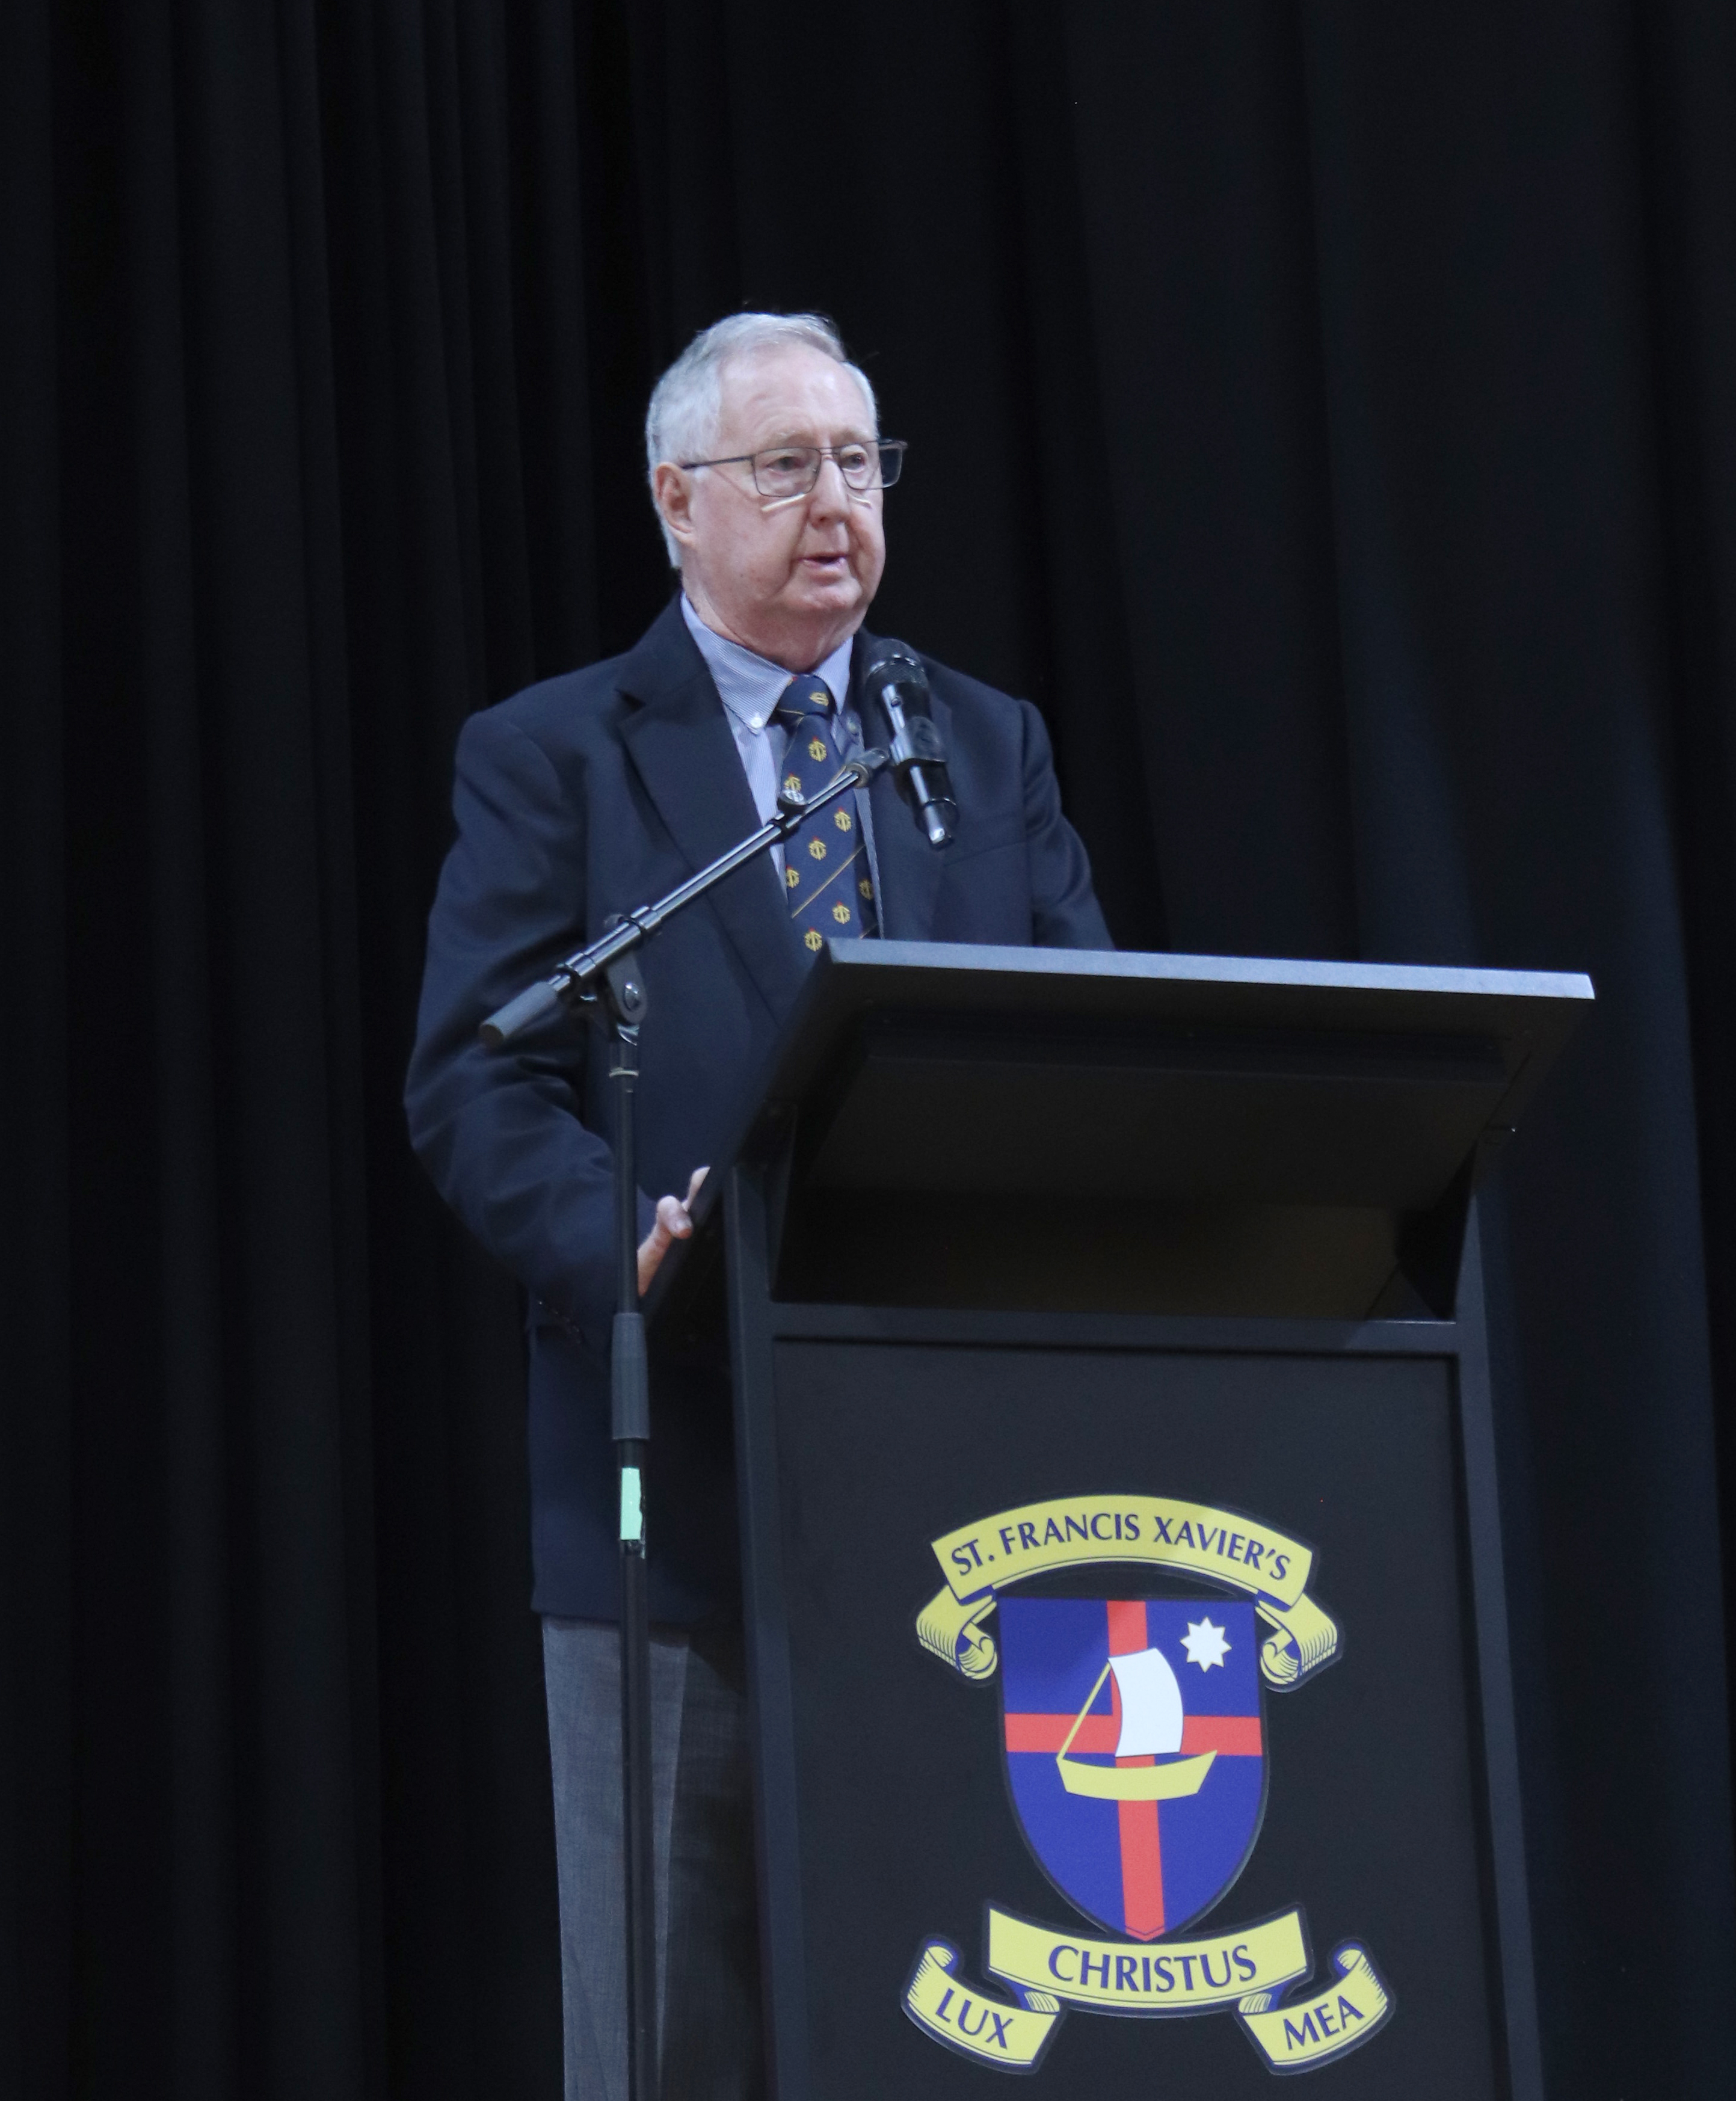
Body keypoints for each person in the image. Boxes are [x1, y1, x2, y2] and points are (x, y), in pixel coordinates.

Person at [405, 312, 1110, 2100]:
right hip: (680, 1496)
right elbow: (475, 1079)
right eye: (787, 466)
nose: (837, 506)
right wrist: (623, 1245)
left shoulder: (981, 746)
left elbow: (1090, 1043)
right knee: (671, 2042)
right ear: (676, 501)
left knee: (954, 2020)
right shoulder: (559, 754)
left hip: (964, 1509)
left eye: (860, 464)